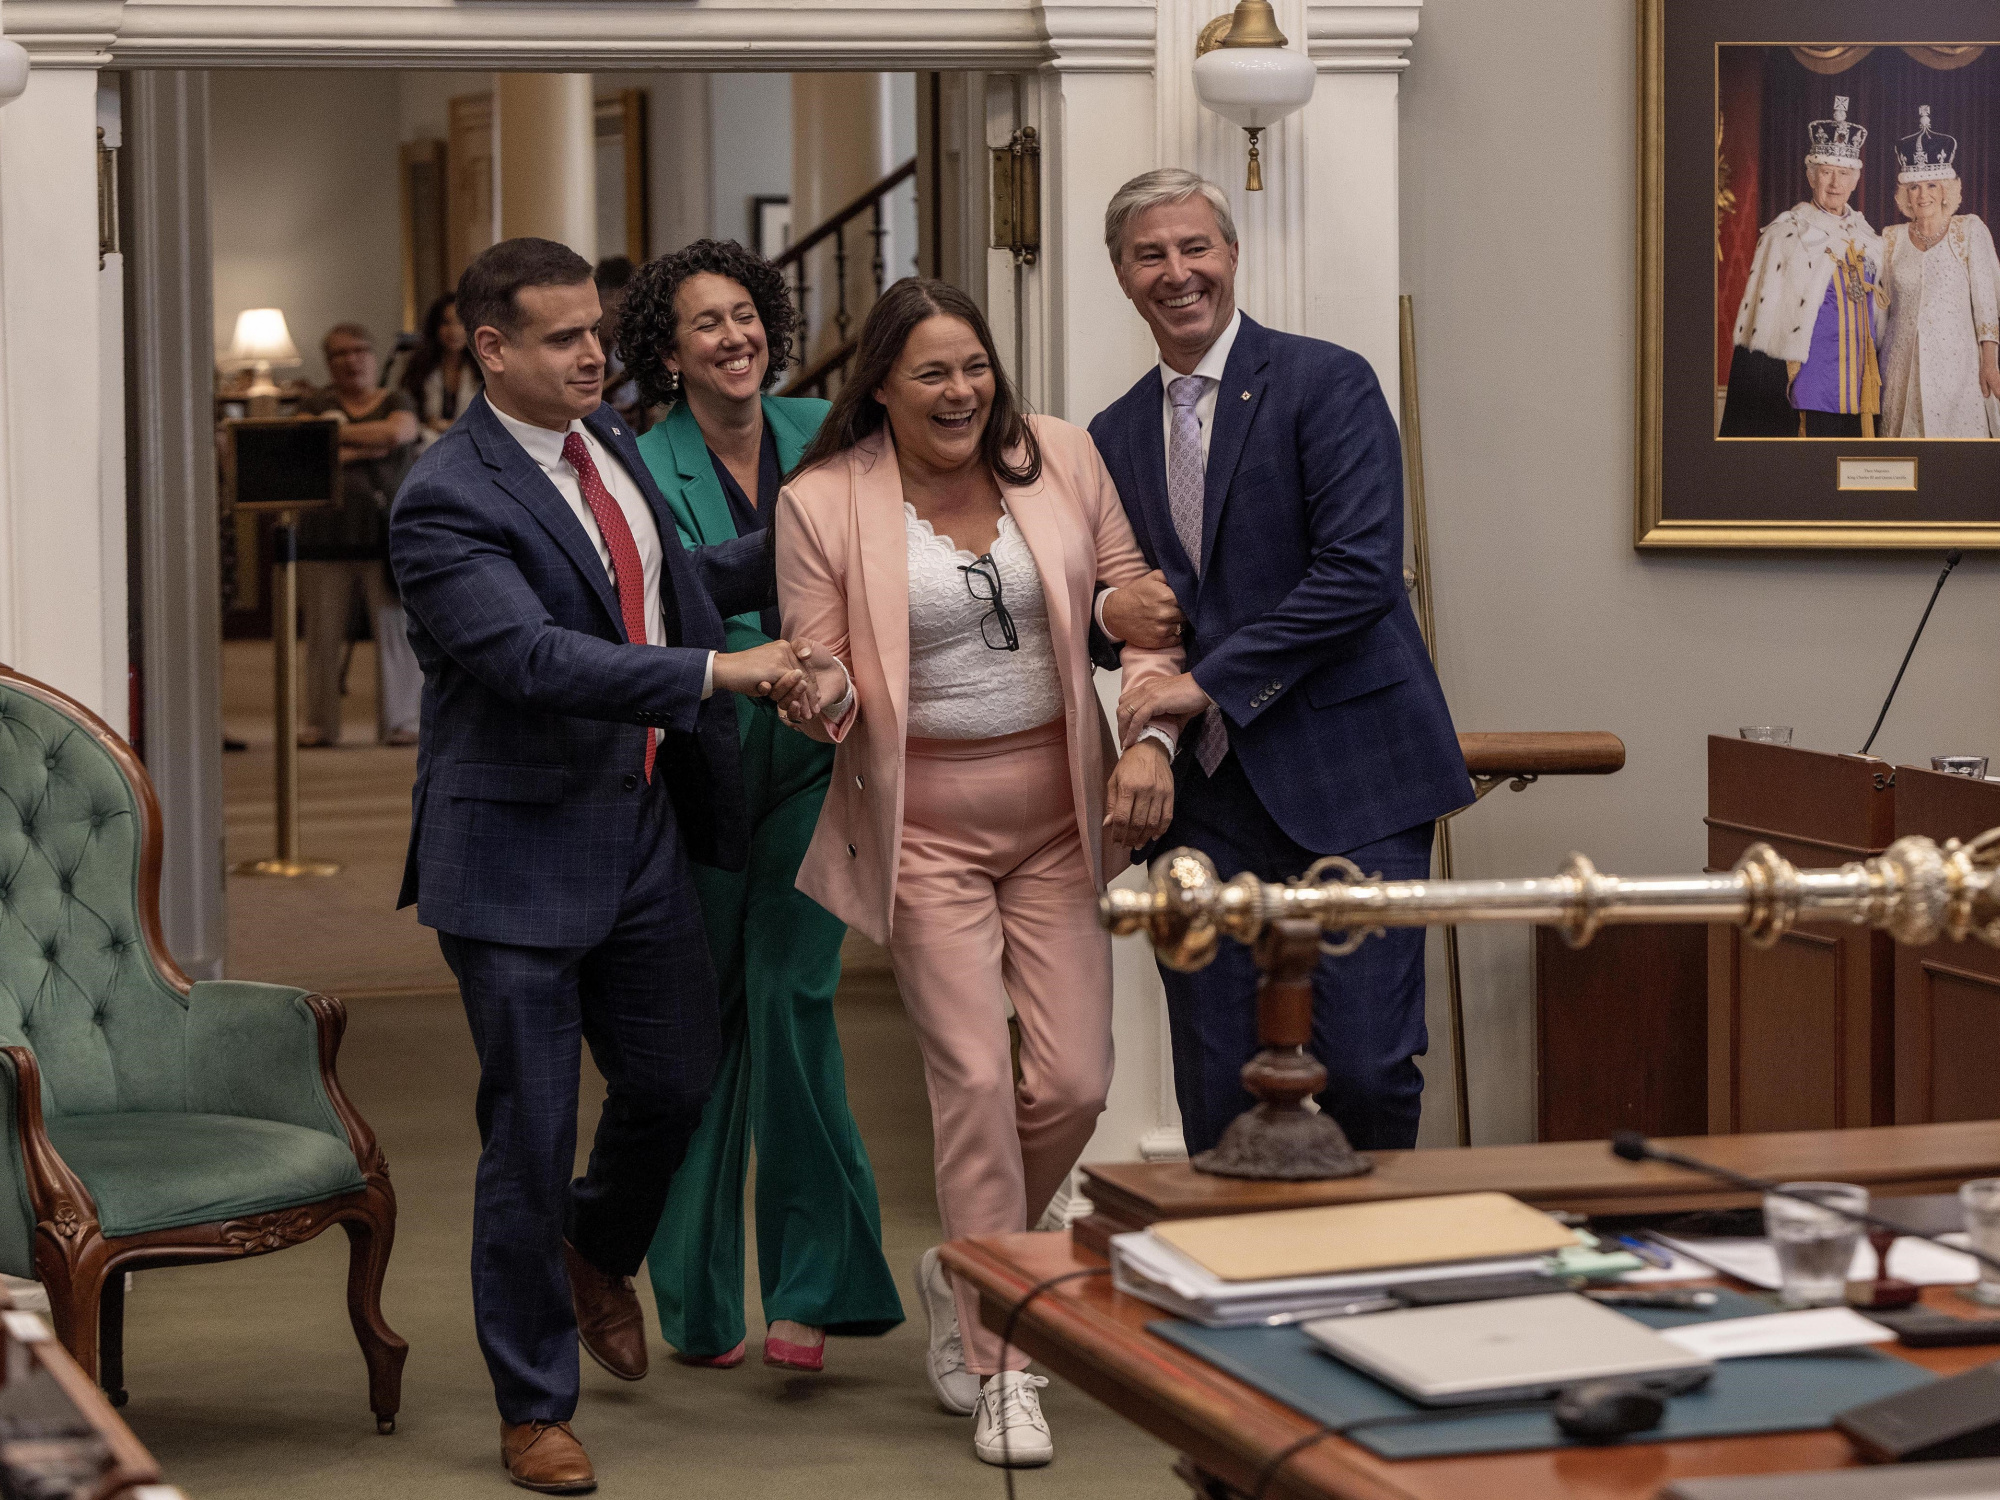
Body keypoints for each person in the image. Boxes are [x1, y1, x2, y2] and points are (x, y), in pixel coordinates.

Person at [388, 236, 828, 1495]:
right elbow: (531, 659)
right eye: (564, 337)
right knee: (526, 1133)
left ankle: (592, 1253)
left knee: (677, 1084)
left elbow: (665, 587)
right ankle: (534, 1406)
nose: (597, 353)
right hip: (515, 853)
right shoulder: (445, 495)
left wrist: (820, 544)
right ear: (489, 349)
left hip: (639, 833)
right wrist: (718, 672)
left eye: (597, 330)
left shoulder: (612, 447)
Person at [775, 276, 1185, 1468]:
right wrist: (820, 691)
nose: (960, 392)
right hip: (924, 833)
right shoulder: (823, 503)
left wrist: (1149, 729)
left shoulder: (1058, 457)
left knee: (1070, 1082)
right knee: (966, 1075)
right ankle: (1004, 1357)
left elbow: (1136, 612)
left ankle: (967, 1254)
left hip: (1061, 816)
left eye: (974, 368)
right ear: (883, 390)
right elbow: (825, 669)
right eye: (931, 374)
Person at [1089, 168, 1471, 1161]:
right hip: (1208, 801)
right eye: (1149, 255)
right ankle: (1235, 1286)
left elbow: (1357, 577)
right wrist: (1109, 622)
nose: (1176, 273)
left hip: (1357, 780)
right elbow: (1124, 614)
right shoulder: (1110, 436)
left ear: (1230, 254)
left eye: (1193, 248)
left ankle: (1372, 1271)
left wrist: (1204, 682)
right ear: (1121, 276)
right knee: (1217, 1080)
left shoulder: (1325, 381)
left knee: (1366, 1064)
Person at [622, 239, 903, 1375]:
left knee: (790, 1000)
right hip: (698, 777)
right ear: (667, 350)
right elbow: (666, 610)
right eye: (705, 323)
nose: (732, 337)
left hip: (817, 769)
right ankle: (692, 1298)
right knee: (708, 1026)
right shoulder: (639, 463)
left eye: (745, 315)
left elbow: (875, 565)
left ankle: (813, 1287)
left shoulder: (830, 432)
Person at [1719, 96, 1884, 438]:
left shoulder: (1872, 240)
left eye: (1843, 174)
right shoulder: (1786, 234)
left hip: (1859, 383)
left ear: (1855, 180)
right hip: (1807, 385)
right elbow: (1764, 329)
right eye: (1826, 172)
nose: (1835, 184)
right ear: (1812, 176)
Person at [295, 323, 423, 747]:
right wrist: (371, 444)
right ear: (329, 363)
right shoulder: (316, 401)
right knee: (321, 638)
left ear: (372, 355)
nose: (352, 360)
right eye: (340, 354)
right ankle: (319, 724)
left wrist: (335, 440)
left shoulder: (396, 399)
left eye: (360, 350)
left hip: (385, 537)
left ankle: (401, 721)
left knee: (396, 634)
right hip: (322, 537)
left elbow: (399, 432)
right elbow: (302, 444)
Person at [1877, 106, 2000, 439]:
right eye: (1914, 187)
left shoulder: (1970, 231)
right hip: (1900, 370)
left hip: (1958, 370)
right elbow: (1879, 313)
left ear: (1945, 189)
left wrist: (1990, 363)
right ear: (1905, 193)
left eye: (1931, 185)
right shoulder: (1891, 239)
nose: (1923, 194)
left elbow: (1988, 307)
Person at [402, 292, 481, 442]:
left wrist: (445, 426)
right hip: (426, 445)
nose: (454, 331)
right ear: (435, 327)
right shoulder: (419, 367)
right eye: (446, 323)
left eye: (460, 323)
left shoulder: (485, 369)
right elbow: (409, 415)